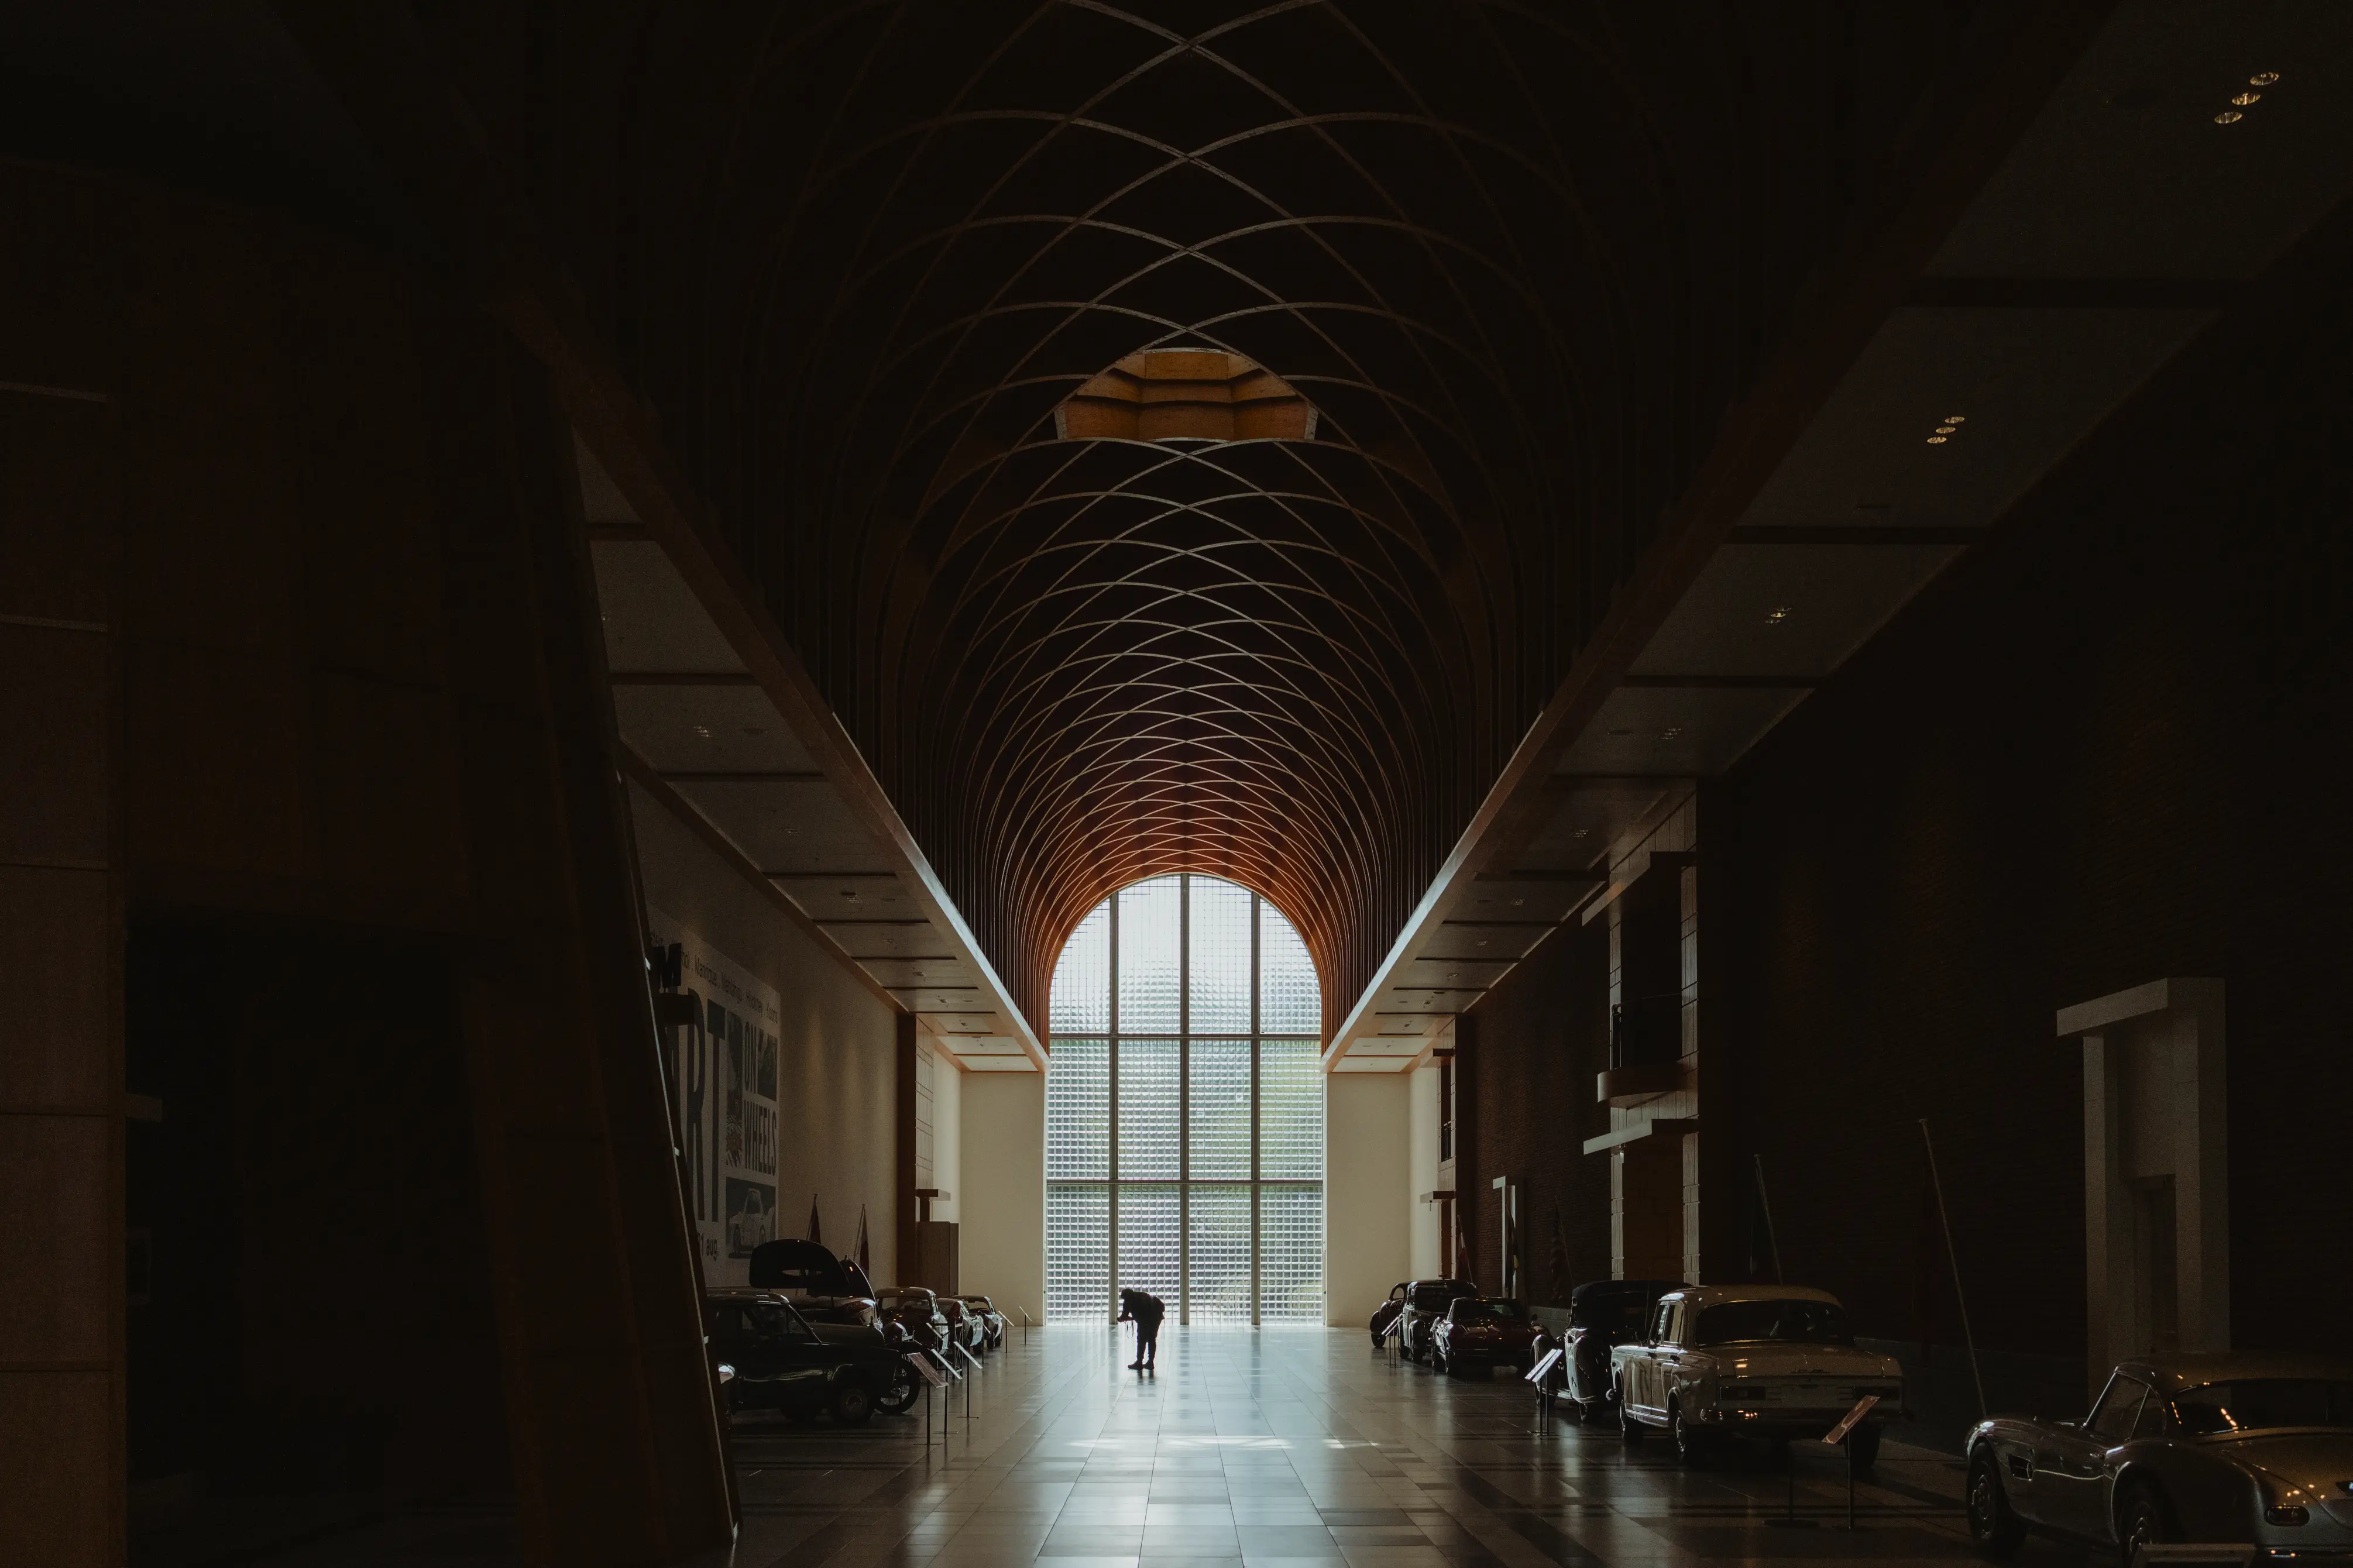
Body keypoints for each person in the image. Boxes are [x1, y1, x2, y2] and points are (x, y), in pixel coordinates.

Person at [1117, 1287, 1165, 1372]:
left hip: (1146, 1320)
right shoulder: (1142, 1295)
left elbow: (1124, 1317)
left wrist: (1121, 1319)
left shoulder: (1128, 1302)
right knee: (1152, 1339)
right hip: (1157, 1317)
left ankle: (1139, 1363)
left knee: (1141, 1340)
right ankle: (1150, 1362)